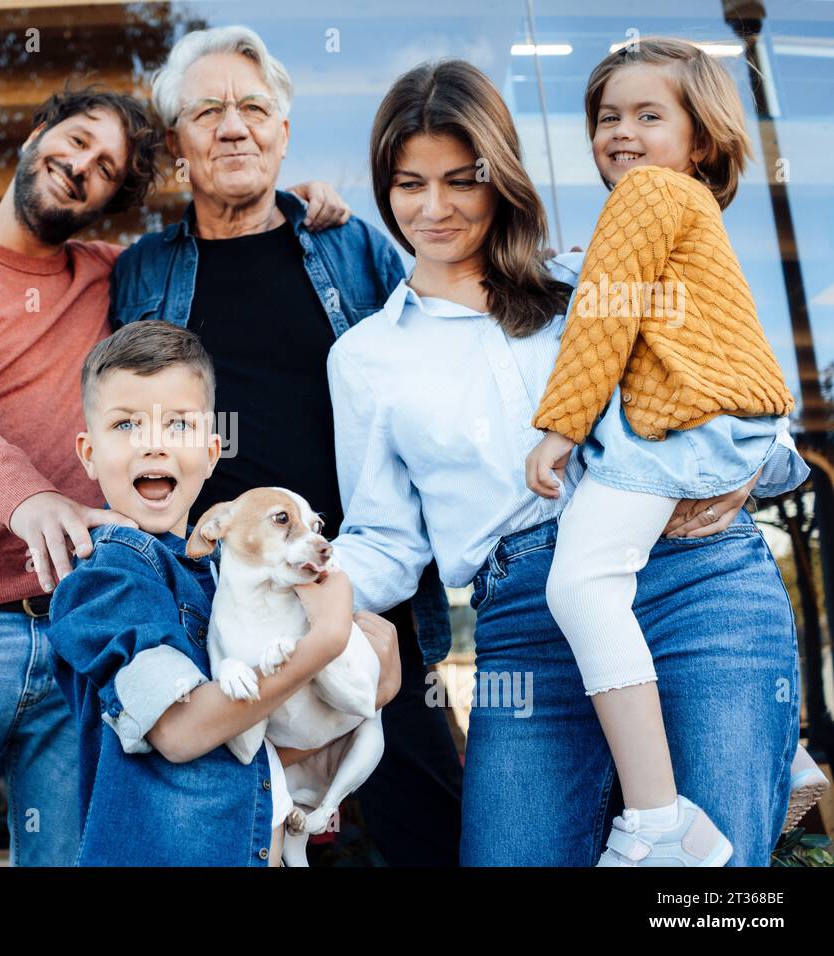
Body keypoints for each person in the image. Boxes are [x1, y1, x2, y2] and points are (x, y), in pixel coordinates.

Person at [0, 83, 354, 866]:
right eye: (77, 140)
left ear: (109, 199)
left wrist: (288, 209)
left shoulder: (114, 275)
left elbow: (222, 251)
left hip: (78, 627)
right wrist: (29, 500)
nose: (82, 165)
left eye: (107, 167)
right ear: (36, 131)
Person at [328, 59, 808, 866]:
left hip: (696, 581)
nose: (434, 209)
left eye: (461, 180)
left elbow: (725, 391)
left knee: (704, 892)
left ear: (501, 175)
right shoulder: (365, 357)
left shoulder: (590, 282)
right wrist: (292, 594)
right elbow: (385, 539)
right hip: (526, 622)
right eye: (410, 184)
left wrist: (752, 468)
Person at [109, 24, 463, 864]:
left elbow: (433, 382)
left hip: (365, 591)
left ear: (282, 132)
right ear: (178, 145)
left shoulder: (350, 246)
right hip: (219, 612)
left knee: (429, 827)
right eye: (207, 112)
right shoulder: (142, 271)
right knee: (250, 832)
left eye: (253, 108)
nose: (233, 126)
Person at [523, 37, 818, 865]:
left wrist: (561, 428)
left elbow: (601, 329)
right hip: (716, 436)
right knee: (605, 587)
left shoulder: (649, 194)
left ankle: (661, 823)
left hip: (674, 439)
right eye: (607, 116)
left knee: (580, 584)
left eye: (649, 115)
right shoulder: (690, 211)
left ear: (701, 139)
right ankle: (779, 755)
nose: (621, 131)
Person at [46, 320, 400, 866]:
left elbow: (247, 745)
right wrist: (325, 642)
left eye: (179, 425)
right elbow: (183, 732)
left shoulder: (221, 575)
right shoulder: (109, 577)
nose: (153, 443)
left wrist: (364, 695)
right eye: (125, 424)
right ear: (88, 453)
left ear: (213, 452)